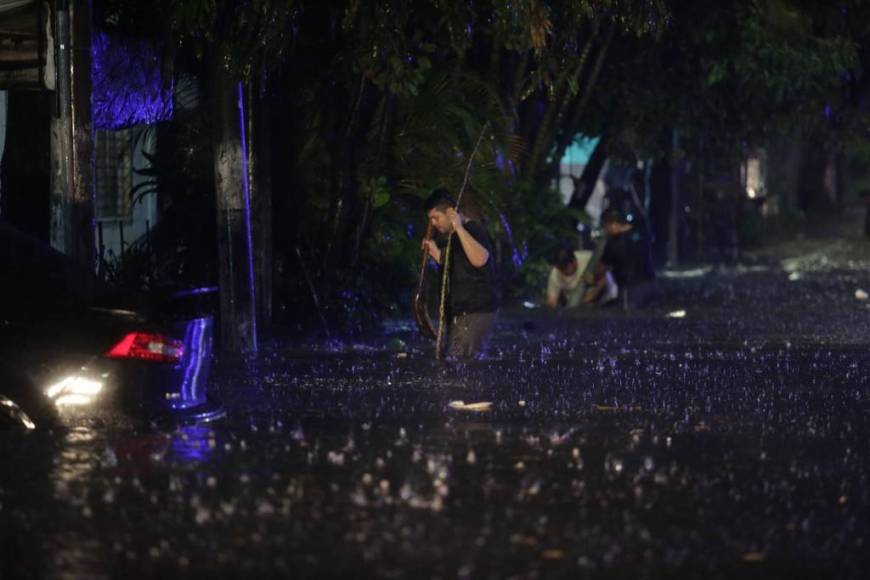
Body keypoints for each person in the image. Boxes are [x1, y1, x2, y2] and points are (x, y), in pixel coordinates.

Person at [421, 188, 499, 358]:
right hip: (461, 313)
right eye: (430, 219)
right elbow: (459, 265)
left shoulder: (473, 230)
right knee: (455, 362)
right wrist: (436, 253)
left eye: (436, 217)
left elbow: (480, 259)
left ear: (450, 213)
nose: (433, 223)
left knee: (460, 364)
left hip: (474, 312)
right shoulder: (454, 238)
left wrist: (459, 228)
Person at [599, 208, 656, 309]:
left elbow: (602, 268)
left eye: (606, 227)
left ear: (614, 224)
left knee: (630, 319)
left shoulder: (613, 243)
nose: (606, 231)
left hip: (631, 288)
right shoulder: (640, 232)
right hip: (651, 283)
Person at [545, 243, 617, 309]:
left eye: (571, 267)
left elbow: (606, 277)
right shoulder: (555, 274)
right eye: (564, 270)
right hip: (574, 305)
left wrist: (591, 294)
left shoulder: (589, 259)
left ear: (574, 259)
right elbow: (552, 301)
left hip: (603, 299)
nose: (568, 271)